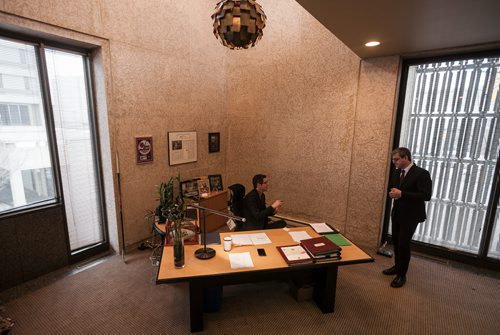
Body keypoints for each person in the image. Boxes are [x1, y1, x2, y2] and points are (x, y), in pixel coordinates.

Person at [384, 147, 432, 288]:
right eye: (393, 160)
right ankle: (397, 267)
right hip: (397, 213)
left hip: (411, 215)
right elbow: (395, 188)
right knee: (396, 242)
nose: (394, 162)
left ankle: (401, 275)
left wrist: (402, 194)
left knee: (403, 244)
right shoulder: (397, 171)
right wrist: (393, 193)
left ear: (406, 158)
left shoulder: (421, 173)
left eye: (396, 159)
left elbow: (426, 196)